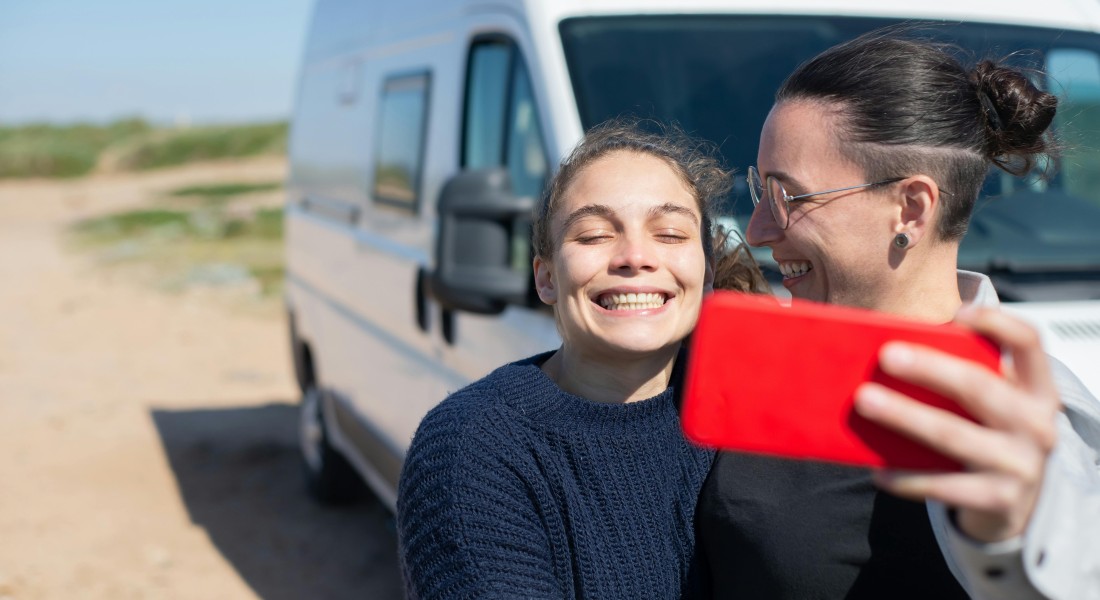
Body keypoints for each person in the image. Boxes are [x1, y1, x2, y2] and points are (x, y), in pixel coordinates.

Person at [697, 31, 1100, 599]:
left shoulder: (1025, 414)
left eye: (788, 197)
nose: (759, 230)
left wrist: (1011, 540)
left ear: (910, 208)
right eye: (759, 191)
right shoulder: (771, 366)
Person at [396, 118, 765, 598]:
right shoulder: (474, 446)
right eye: (593, 235)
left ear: (707, 272)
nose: (635, 256)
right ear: (546, 278)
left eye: (670, 234)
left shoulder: (754, 415)